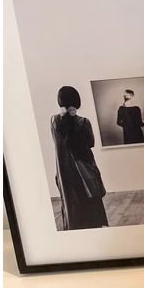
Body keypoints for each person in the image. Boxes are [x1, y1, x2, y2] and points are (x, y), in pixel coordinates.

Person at [51, 85, 108, 230]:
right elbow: (91, 143)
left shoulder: (54, 122)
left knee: (71, 204)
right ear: (77, 101)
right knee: (91, 203)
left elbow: (59, 142)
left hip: (65, 172)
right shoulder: (84, 122)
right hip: (84, 169)